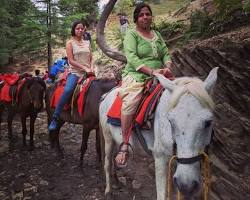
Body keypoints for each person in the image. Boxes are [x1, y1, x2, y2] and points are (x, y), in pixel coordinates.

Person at [115, 3, 173, 167]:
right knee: (130, 102)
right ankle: (125, 143)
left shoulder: (157, 34)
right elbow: (132, 58)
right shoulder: (131, 35)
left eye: (148, 14)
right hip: (137, 74)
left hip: (161, 74)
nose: (145, 17)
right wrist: (151, 72)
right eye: (141, 15)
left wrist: (167, 68)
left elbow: (166, 54)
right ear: (136, 19)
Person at [48, 21, 94, 131]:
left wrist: (91, 67)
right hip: (76, 73)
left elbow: (91, 58)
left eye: (82, 28)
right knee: (68, 90)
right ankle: (56, 116)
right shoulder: (70, 43)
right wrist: (84, 68)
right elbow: (71, 61)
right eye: (77, 28)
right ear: (73, 30)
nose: (80, 30)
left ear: (84, 30)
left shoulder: (87, 43)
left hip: (89, 72)